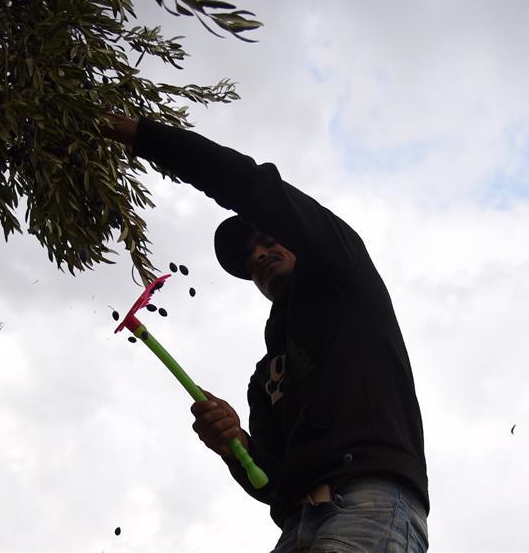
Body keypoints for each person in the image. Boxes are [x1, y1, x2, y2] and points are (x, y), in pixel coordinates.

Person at [106, 115, 430, 552]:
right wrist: (234, 444)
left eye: (268, 238)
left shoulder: (343, 271)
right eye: (249, 256)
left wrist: (141, 136)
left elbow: (251, 185)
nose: (258, 253)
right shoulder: (267, 378)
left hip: (370, 503)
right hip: (296, 525)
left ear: (298, 236)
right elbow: (273, 483)